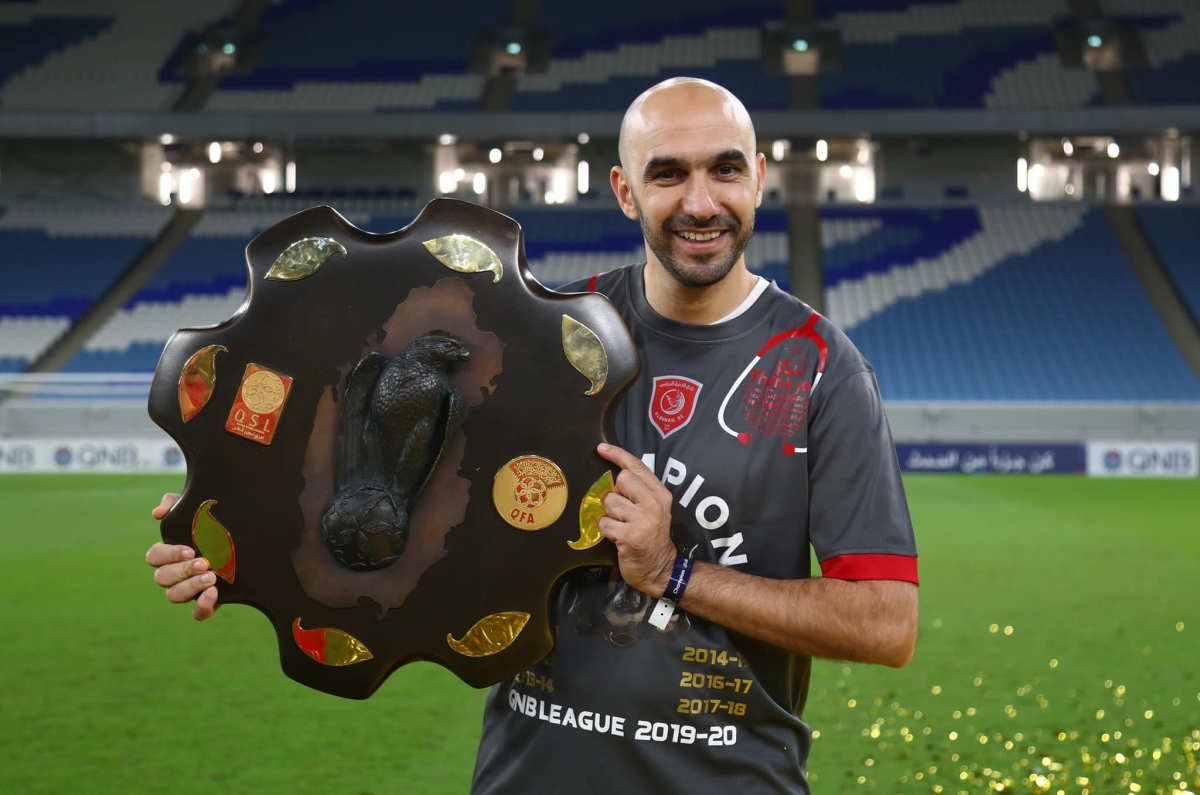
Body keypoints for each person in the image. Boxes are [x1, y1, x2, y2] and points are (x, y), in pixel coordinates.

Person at [146, 77, 919, 794]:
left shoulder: (821, 367)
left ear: (758, 178)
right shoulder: (545, 334)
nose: (700, 201)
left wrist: (674, 573)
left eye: (724, 170)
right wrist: (237, 544)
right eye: (667, 174)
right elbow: (397, 489)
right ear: (625, 191)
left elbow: (887, 623)